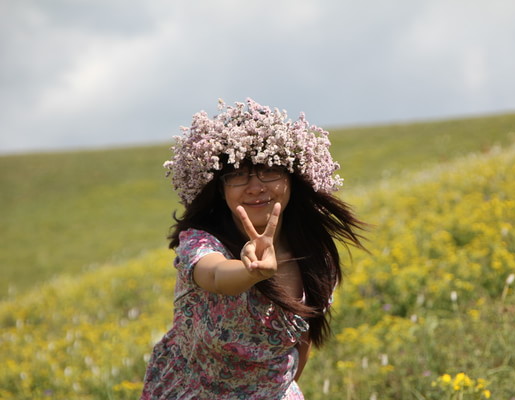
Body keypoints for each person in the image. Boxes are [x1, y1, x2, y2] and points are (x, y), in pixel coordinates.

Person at [140, 98, 365, 399]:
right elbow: (217, 275)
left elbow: (302, 340)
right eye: (236, 175)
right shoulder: (201, 242)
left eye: (268, 170)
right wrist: (249, 271)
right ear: (220, 189)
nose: (255, 186)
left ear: (291, 180)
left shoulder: (316, 258)